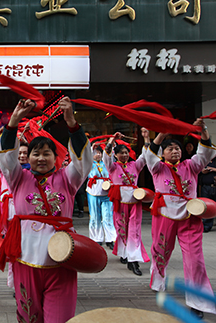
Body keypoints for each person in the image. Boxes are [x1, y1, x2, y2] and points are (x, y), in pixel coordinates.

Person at [0, 97, 92, 323]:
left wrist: (72, 123)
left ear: (55, 158)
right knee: (29, 316)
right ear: (27, 157)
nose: (40, 158)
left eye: (46, 153)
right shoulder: (18, 178)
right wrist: (14, 121)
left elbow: (83, 162)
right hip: (26, 258)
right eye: (35, 153)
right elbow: (5, 158)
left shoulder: (68, 179)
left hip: (63, 259)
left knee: (60, 318)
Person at [146, 119, 216, 318]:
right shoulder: (158, 168)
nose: (175, 151)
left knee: (195, 261)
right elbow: (149, 156)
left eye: (177, 148)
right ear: (163, 153)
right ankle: (158, 280)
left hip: (189, 216)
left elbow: (206, 153)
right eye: (170, 149)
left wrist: (203, 130)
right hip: (164, 215)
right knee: (160, 251)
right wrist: (161, 133)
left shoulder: (192, 165)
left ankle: (198, 301)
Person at [103, 130, 151, 276]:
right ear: (116, 155)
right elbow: (106, 156)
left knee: (134, 232)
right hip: (120, 203)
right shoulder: (112, 167)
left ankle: (134, 260)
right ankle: (125, 253)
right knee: (122, 230)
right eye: (121, 153)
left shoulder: (135, 165)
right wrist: (112, 140)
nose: (124, 155)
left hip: (134, 203)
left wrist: (146, 138)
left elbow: (146, 156)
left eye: (126, 152)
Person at [86, 145, 116, 249]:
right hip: (93, 192)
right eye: (95, 152)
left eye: (99, 152)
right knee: (95, 216)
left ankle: (110, 238)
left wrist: (111, 148)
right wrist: (90, 148)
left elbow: (110, 158)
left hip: (107, 191)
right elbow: (85, 157)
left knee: (108, 216)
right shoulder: (89, 164)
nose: (98, 154)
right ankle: (96, 238)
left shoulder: (106, 164)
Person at [199, 157, 216, 232]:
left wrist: (214, 169)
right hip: (206, 186)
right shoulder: (205, 159)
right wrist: (203, 171)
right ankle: (206, 226)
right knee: (206, 207)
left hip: (214, 185)